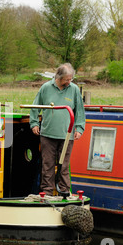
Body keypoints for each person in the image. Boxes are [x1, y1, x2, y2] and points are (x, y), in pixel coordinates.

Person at [30, 63, 85, 196]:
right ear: (58, 77)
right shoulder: (46, 88)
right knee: (47, 164)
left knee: (64, 166)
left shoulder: (74, 89)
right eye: (67, 79)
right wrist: (34, 123)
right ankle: (47, 192)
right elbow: (35, 106)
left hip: (67, 135)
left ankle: (64, 192)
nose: (69, 81)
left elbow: (80, 111)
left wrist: (79, 128)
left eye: (71, 79)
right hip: (47, 134)